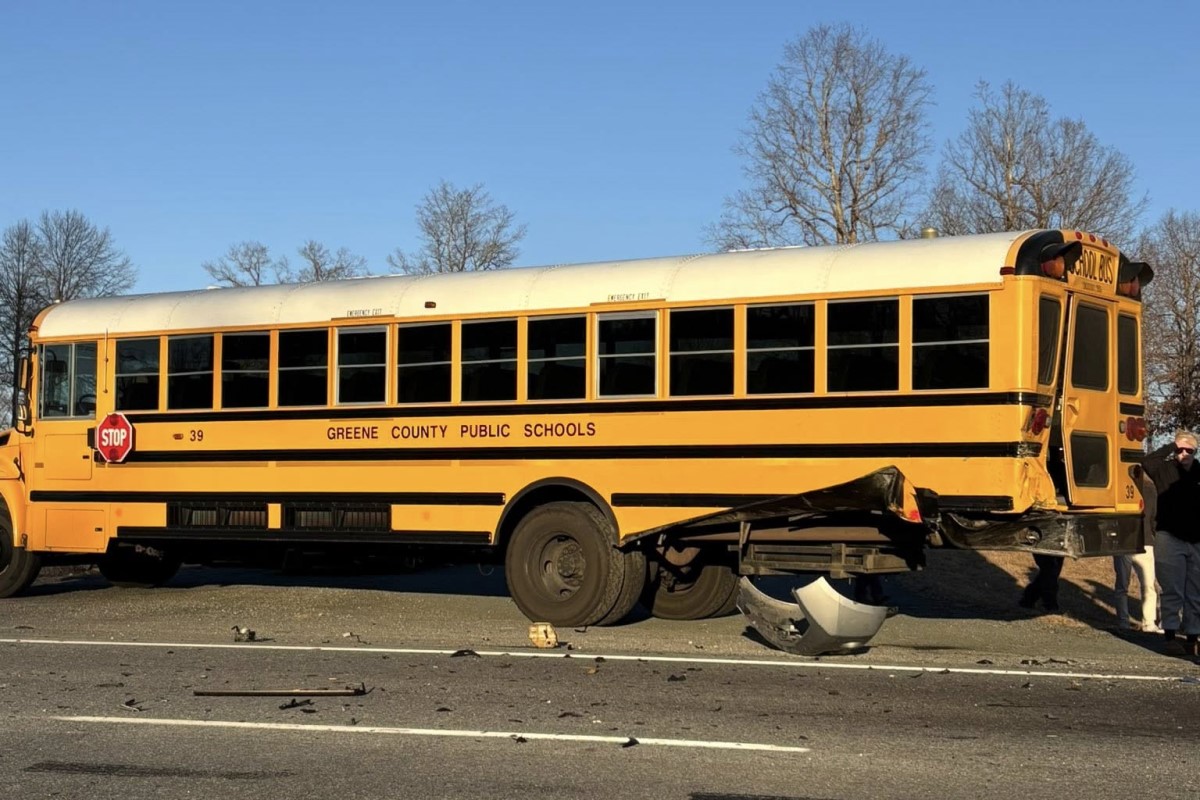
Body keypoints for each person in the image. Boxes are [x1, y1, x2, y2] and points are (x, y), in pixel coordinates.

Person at [1142, 430, 1200, 656]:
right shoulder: (1164, 470)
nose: (1183, 454)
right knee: (1171, 589)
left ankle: (1193, 637)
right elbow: (1147, 461)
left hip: (1196, 539)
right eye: (1180, 450)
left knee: (1195, 591)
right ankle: (1170, 636)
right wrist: (1170, 446)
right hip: (1169, 536)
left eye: (1189, 450)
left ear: (1195, 452)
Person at [1112, 472, 1161, 632]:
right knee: (1148, 586)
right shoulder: (1150, 488)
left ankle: (1125, 622)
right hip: (1143, 542)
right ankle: (1148, 623)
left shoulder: (1118, 485)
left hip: (1129, 542)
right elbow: (1154, 519)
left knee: (1124, 586)